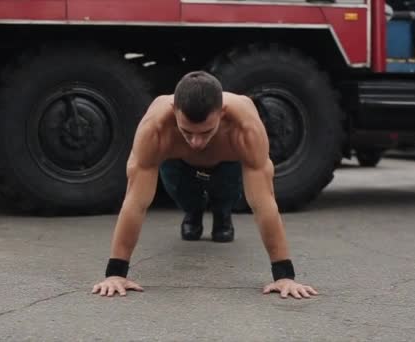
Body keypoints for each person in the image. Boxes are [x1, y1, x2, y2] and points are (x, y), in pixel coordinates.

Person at [92, 71, 318, 299]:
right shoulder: (156, 128)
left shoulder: (244, 127)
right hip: (178, 164)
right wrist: (116, 273)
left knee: (227, 196)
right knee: (185, 199)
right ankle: (194, 212)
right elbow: (136, 202)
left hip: (226, 164)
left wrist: (284, 275)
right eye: (187, 132)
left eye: (206, 131)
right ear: (174, 112)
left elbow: (263, 202)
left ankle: (222, 215)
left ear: (222, 113)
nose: (196, 142)